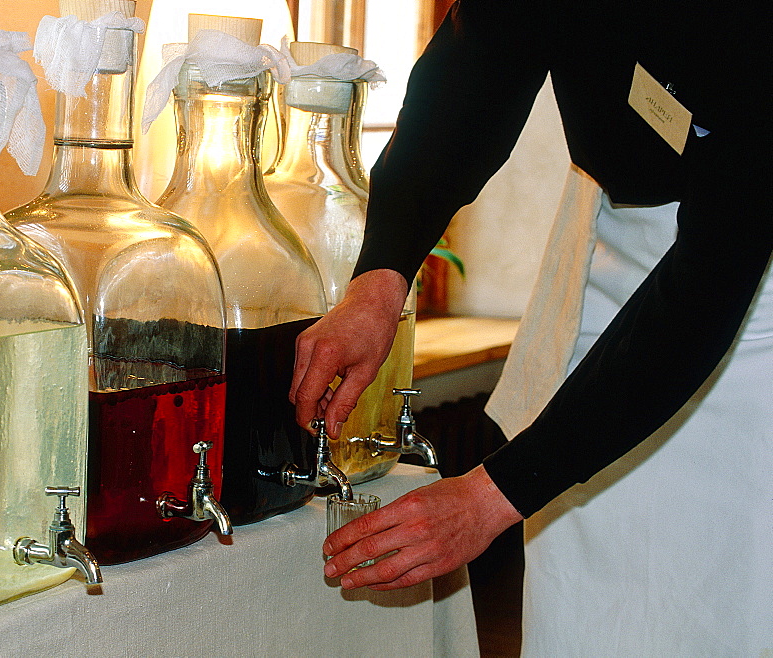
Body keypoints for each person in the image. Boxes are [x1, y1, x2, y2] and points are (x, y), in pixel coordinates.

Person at [289, 0, 771, 653]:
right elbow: (469, 79)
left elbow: (714, 274)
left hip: (747, 292)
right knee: (586, 598)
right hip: (608, 232)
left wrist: (486, 500)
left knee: (724, 594)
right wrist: (379, 279)